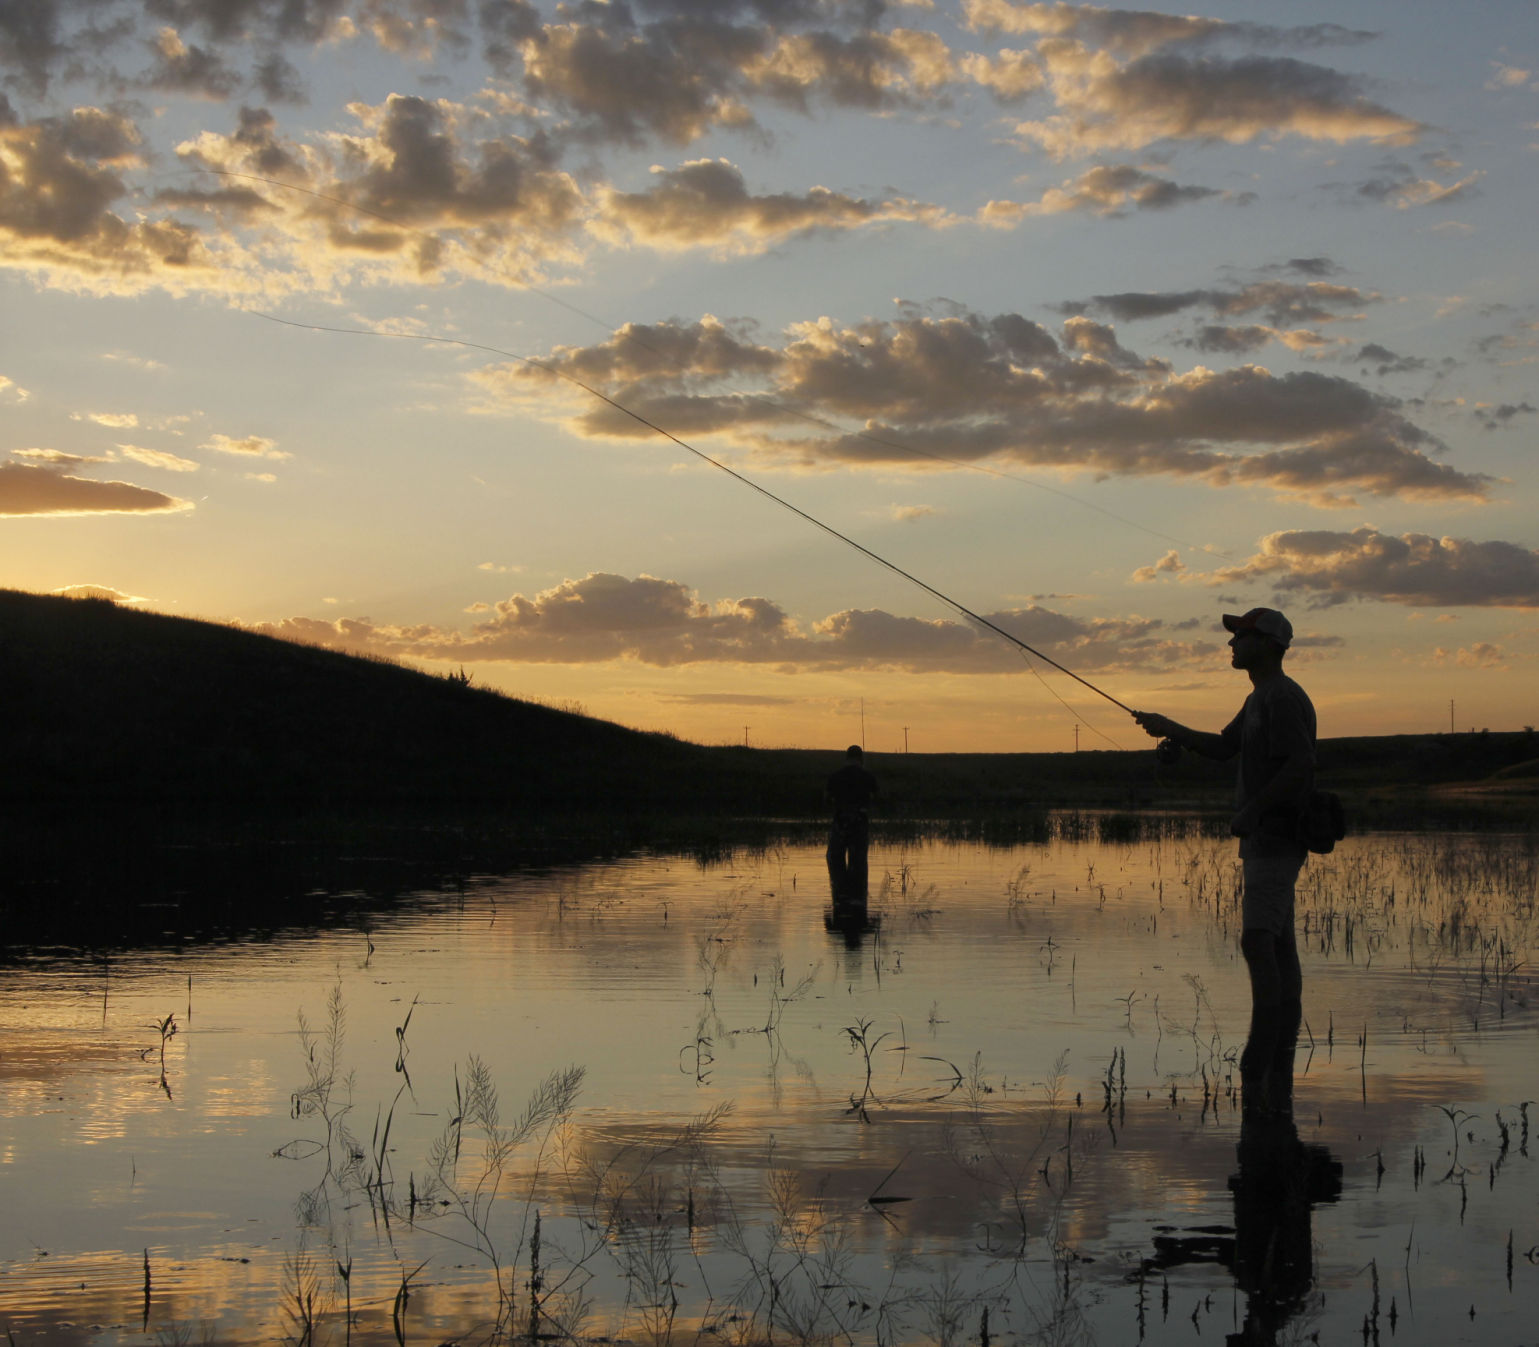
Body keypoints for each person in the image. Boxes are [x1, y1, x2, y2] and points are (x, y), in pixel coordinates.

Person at [1132, 607, 1316, 1117]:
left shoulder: (1280, 697)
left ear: (1268, 644)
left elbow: (1302, 765)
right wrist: (1170, 728)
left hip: (1275, 838)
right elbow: (1222, 748)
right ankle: (1279, 1060)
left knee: (1258, 940)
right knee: (1277, 942)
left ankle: (1265, 1050)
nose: (1231, 644)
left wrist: (1253, 810)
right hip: (1267, 841)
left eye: (1241, 636)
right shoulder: (1259, 696)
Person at [826, 744, 878, 898]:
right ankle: (858, 896)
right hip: (860, 824)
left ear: (846, 758)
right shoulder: (868, 777)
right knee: (859, 863)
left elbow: (826, 798)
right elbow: (876, 798)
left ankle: (839, 894)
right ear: (861, 759)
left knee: (835, 859)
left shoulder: (835, 776)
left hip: (840, 822)